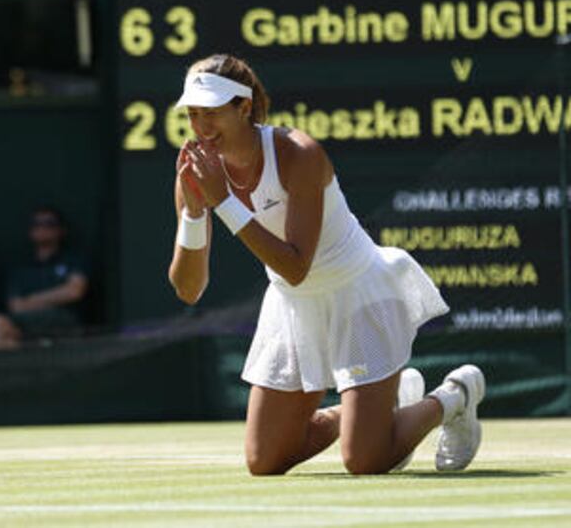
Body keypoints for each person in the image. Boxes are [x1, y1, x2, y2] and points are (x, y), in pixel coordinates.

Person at [168, 54, 485, 475]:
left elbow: (296, 266)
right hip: (293, 305)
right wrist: (193, 213)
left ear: (244, 107)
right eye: (193, 114)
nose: (201, 126)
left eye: (211, 112)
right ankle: (380, 409)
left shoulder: (299, 153)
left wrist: (223, 202)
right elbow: (189, 289)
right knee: (264, 461)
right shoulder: (199, 172)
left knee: (364, 461)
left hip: (358, 293)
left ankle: (454, 397)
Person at [0, 206, 88, 349]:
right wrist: (56, 296)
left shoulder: (72, 259)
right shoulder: (22, 266)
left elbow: (74, 291)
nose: (42, 228)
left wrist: (32, 300)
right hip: (26, 325)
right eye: (37, 224)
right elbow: (16, 305)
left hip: (64, 321)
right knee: (0, 326)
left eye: (49, 224)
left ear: (60, 230)